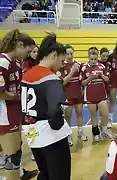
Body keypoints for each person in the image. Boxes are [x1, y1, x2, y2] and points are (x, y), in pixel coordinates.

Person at [21, 33, 72, 180]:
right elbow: (56, 110)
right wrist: (58, 125)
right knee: (59, 174)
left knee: (44, 172)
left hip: (33, 135)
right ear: (54, 55)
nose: (61, 65)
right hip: (51, 136)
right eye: (62, 61)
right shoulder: (51, 78)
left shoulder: (27, 75)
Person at [0, 29, 38, 180]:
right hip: (5, 115)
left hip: (13, 113)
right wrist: (18, 96)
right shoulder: (3, 62)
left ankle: (20, 173)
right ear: (20, 45)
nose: (28, 55)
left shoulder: (15, 62)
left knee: (15, 154)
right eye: (28, 51)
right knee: (12, 159)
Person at [56, 45, 87, 146]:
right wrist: (73, 71)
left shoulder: (78, 64)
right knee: (68, 116)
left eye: (71, 53)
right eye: (67, 54)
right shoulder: (61, 66)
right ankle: (68, 135)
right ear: (64, 55)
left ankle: (80, 131)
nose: (70, 56)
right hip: (67, 95)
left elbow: (82, 79)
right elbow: (63, 82)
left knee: (79, 114)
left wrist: (83, 88)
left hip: (78, 93)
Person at [80, 47, 113, 142]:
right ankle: (96, 133)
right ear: (88, 58)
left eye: (95, 59)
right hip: (90, 96)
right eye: (92, 59)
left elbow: (107, 79)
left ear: (97, 58)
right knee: (93, 116)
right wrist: (90, 78)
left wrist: (101, 75)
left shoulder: (102, 67)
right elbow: (82, 83)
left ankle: (104, 130)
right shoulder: (84, 68)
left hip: (101, 95)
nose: (94, 61)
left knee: (105, 114)